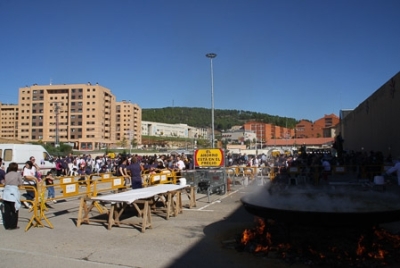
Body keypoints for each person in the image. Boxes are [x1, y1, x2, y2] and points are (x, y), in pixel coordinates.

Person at [2, 162, 23, 230]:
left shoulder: (7, 174)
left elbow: (4, 182)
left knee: (7, 211)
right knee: (14, 210)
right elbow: (20, 182)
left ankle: (7, 225)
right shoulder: (17, 174)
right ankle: (13, 225)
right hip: (13, 192)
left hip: (6, 192)